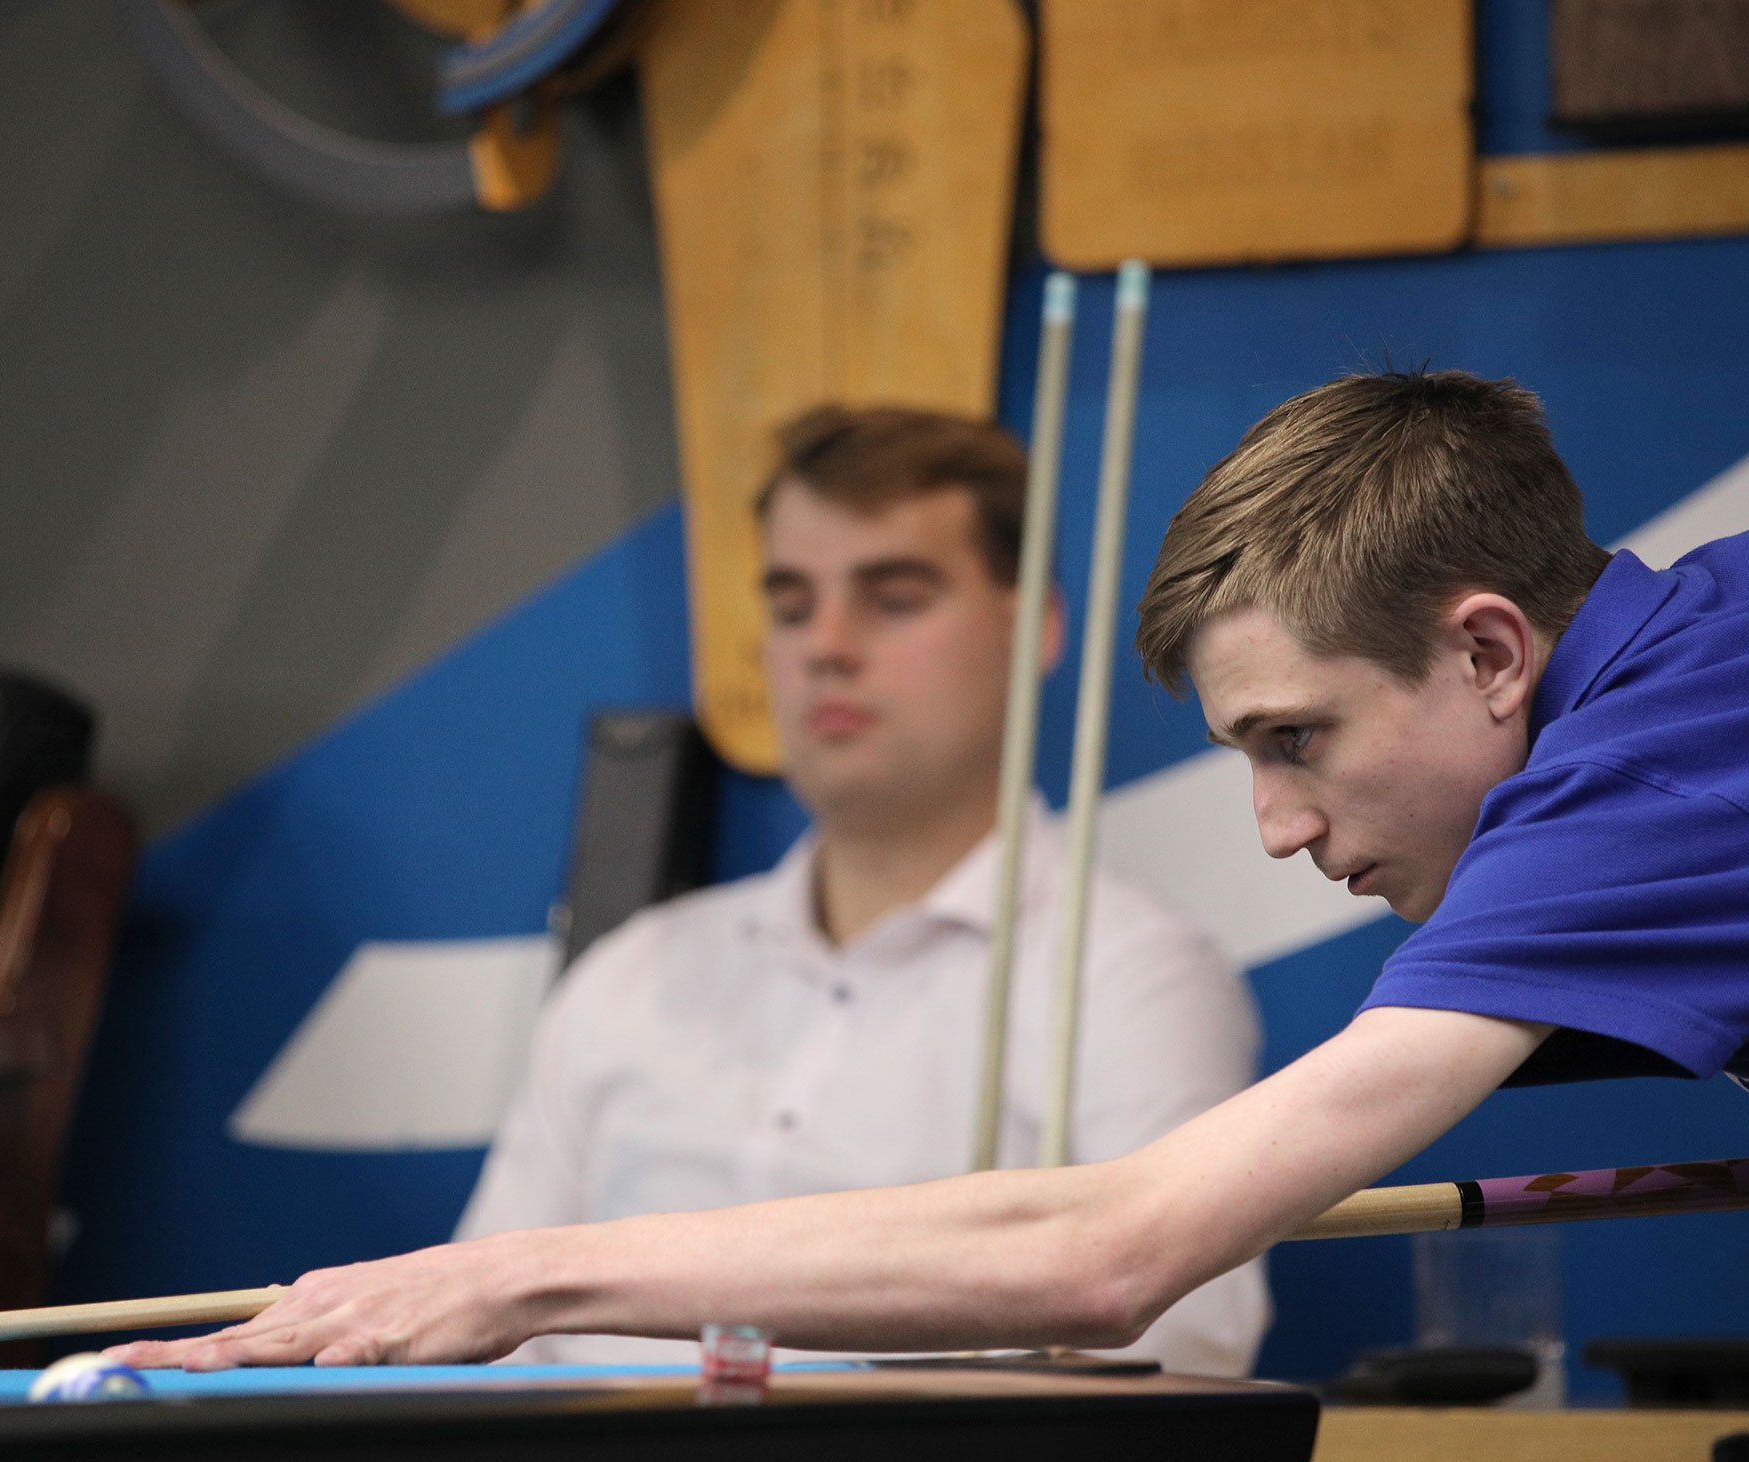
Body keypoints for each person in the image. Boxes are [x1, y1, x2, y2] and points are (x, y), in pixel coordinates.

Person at [109, 369, 1749, 1372]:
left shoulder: (1635, 797)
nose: (1281, 829)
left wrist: (515, 1282)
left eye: (1296, 739)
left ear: (1491, 650)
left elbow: (1111, 1259)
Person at [453, 403, 1267, 1375]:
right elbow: (471, 1336)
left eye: (894, 599)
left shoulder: (1128, 976)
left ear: (1034, 626)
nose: (827, 645)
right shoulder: (631, 975)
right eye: (793, 606)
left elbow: (1188, 1341)